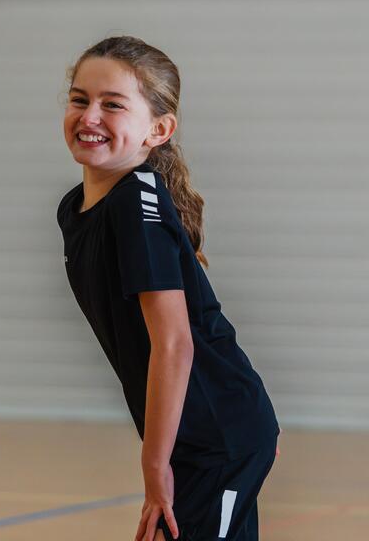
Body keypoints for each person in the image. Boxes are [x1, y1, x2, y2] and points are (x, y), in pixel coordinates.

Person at [56, 36, 281, 541]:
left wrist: (155, 466)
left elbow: (176, 343)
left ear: (157, 130)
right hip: (208, 434)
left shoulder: (136, 206)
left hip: (214, 439)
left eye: (112, 105)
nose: (89, 116)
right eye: (79, 99)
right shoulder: (78, 207)